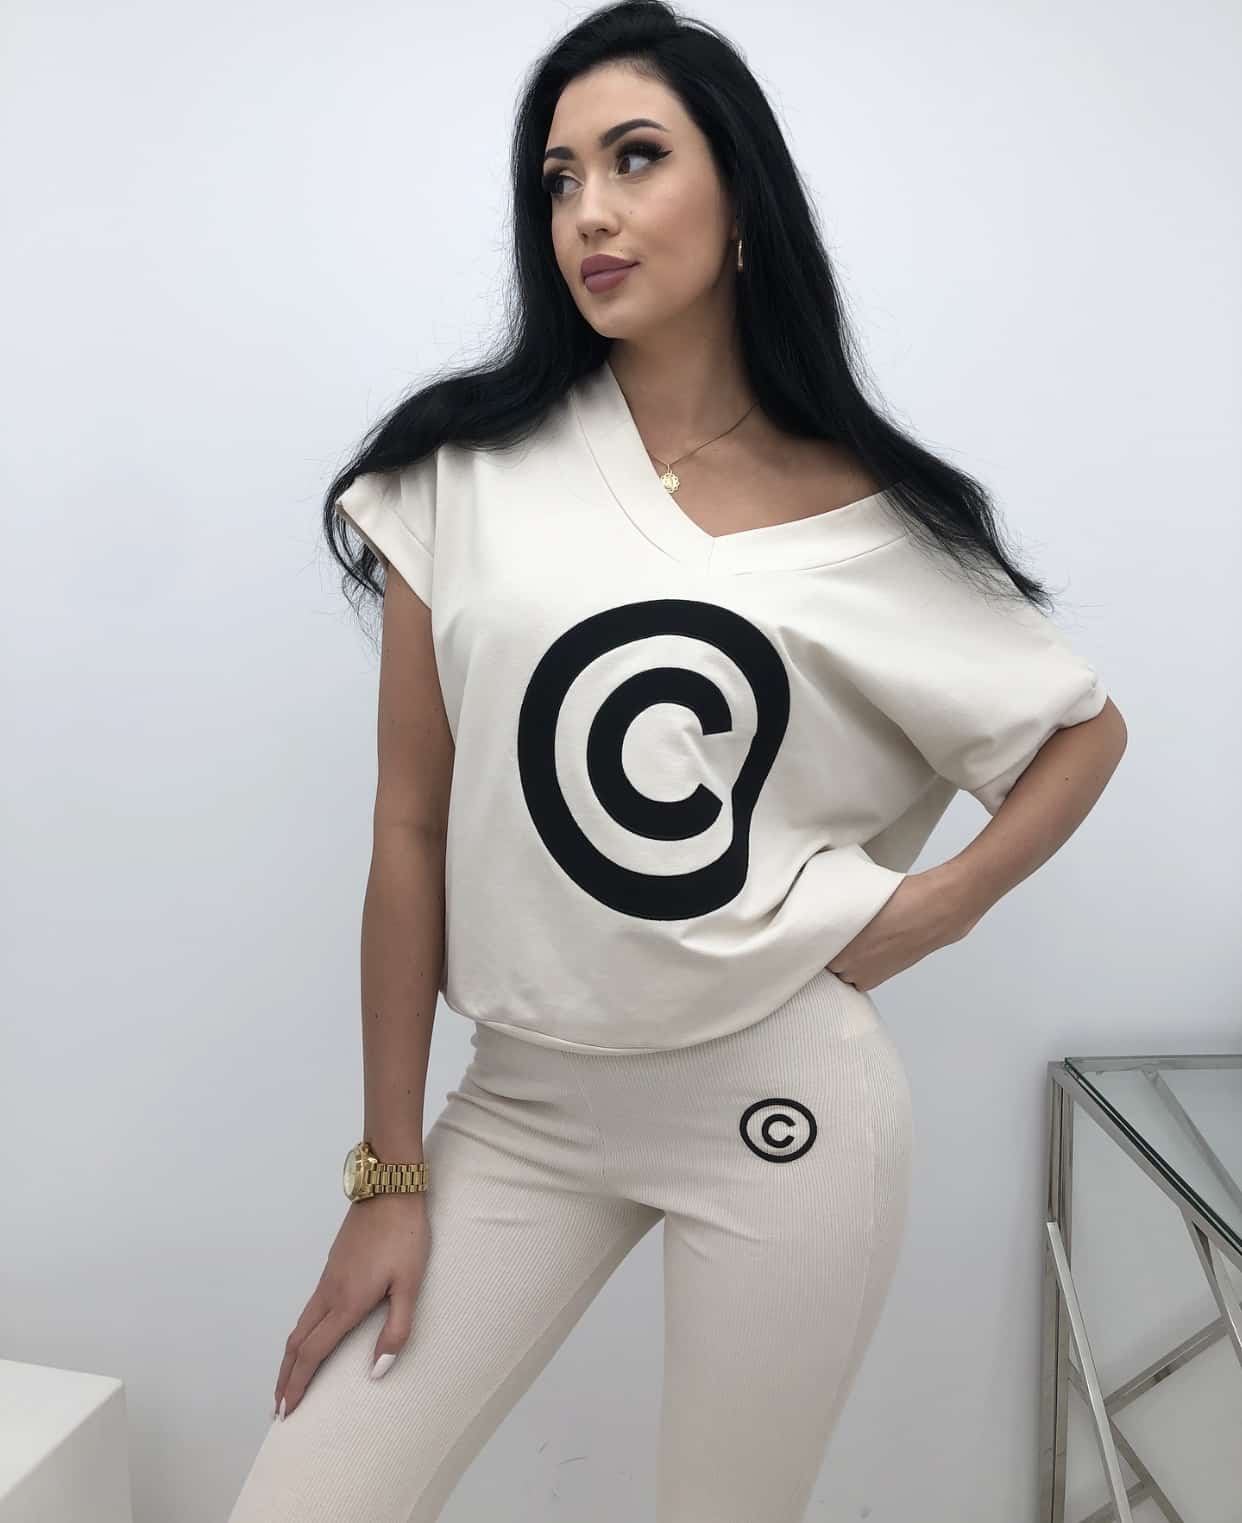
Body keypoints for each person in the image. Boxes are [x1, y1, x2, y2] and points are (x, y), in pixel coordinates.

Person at [226, 2, 1127, 1518]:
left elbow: (1080, 732)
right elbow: (410, 827)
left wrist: (932, 911)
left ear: (742, 195)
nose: (589, 209)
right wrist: (389, 1175)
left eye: (635, 158)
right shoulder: (461, 467)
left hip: (780, 1097)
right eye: (559, 177)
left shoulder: (870, 519)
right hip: (520, 1102)